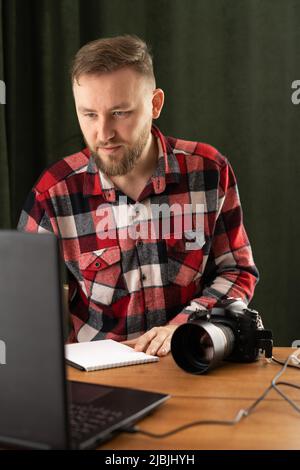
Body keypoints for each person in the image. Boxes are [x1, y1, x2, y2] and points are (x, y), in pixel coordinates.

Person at [18, 34, 259, 357]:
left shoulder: (209, 171)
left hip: (190, 362)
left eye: (120, 113)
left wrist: (185, 326)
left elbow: (237, 271)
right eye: (89, 114)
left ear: (155, 104)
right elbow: (22, 302)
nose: (103, 134)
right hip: (98, 377)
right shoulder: (54, 191)